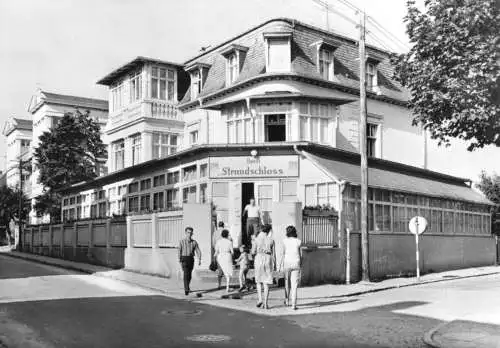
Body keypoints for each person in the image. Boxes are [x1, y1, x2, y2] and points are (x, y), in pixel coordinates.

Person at [251, 224, 275, 309]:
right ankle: (266, 303)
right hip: (268, 259)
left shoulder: (256, 239)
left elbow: (253, 252)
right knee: (266, 282)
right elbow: (273, 253)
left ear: (261, 229)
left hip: (259, 258)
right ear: (269, 231)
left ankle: (260, 299)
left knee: (258, 281)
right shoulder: (271, 240)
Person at [280, 225, 302, 310]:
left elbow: (283, 253)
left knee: (287, 283)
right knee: (294, 285)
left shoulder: (284, 241)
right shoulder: (298, 241)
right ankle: (294, 305)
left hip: (287, 263)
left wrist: (280, 265)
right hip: (296, 263)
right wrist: (301, 263)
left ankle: (287, 300)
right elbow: (300, 254)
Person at [178, 227, 202, 295]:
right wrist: (179, 260)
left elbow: (198, 250)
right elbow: (179, 250)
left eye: (191, 233)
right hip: (184, 258)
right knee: (186, 274)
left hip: (191, 259)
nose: (190, 234)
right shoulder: (181, 241)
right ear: (185, 233)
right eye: (188, 232)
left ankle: (187, 287)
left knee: (190, 275)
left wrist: (199, 259)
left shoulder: (194, 242)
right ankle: (186, 289)